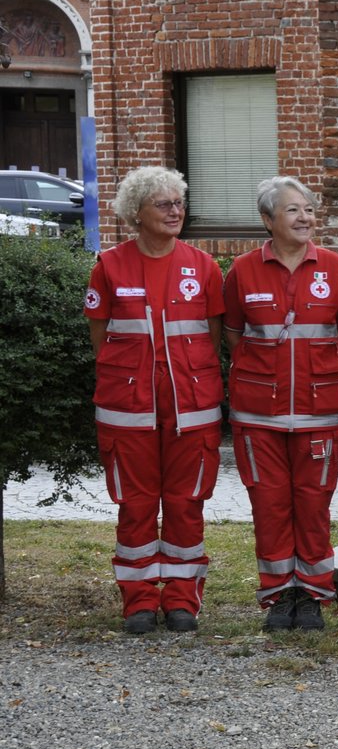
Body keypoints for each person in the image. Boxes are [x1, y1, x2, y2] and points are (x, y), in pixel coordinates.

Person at [84, 166, 224, 634]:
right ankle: (139, 601)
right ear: (135, 213)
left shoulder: (203, 266)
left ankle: (183, 599)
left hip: (193, 408)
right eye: (163, 204)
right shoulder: (109, 265)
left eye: (178, 202)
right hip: (127, 411)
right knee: (137, 505)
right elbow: (101, 338)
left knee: (187, 503)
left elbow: (214, 336)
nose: (174, 211)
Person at [222, 177, 338, 632]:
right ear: (267, 220)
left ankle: (313, 594)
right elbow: (235, 335)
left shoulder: (336, 268)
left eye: (309, 210)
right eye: (293, 211)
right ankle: (280, 595)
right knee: (270, 505)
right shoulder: (242, 270)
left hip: (319, 412)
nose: (305, 218)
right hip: (258, 415)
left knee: (314, 504)